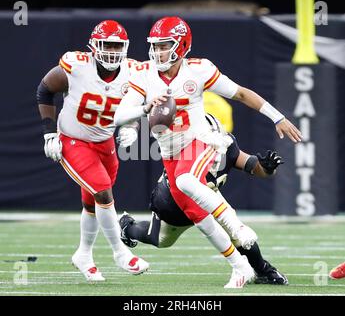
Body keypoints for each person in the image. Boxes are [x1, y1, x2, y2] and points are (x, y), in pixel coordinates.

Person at [114, 16, 302, 288]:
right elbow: (120, 115)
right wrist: (142, 111)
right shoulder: (144, 74)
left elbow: (239, 94)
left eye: (165, 45)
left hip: (198, 142)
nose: (158, 52)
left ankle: (243, 244)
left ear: (181, 45)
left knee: (187, 182)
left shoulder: (199, 71)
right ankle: (129, 228)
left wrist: (277, 117)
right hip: (171, 157)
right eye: (155, 46)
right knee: (170, 234)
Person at [36, 20, 148, 281]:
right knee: (103, 192)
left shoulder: (132, 72)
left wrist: (132, 126)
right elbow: (45, 89)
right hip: (74, 139)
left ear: (125, 47)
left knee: (92, 202)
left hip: (105, 141)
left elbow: (137, 103)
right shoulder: (77, 66)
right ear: (93, 46)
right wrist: (49, 132)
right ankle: (120, 253)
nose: (111, 50)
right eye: (106, 44)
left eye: (116, 45)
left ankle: (83, 254)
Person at [119, 114, 288, 285]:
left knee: (237, 232)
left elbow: (253, 166)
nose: (212, 144)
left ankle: (263, 270)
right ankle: (127, 227)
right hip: (174, 202)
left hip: (208, 196)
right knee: (160, 240)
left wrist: (267, 168)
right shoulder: (185, 149)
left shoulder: (226, 145)